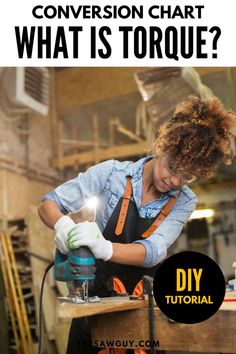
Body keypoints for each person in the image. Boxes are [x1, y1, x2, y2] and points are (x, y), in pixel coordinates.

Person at [38, 95, 235, 353]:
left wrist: (105, 248)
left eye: (187, 176)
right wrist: (63, 225)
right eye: (173, 166)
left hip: (145, 311)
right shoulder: (110, 174)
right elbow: (48, 203)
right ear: (161, 146)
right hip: (95, 303)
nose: (175, 181)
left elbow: (154, 250)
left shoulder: (185, 201)